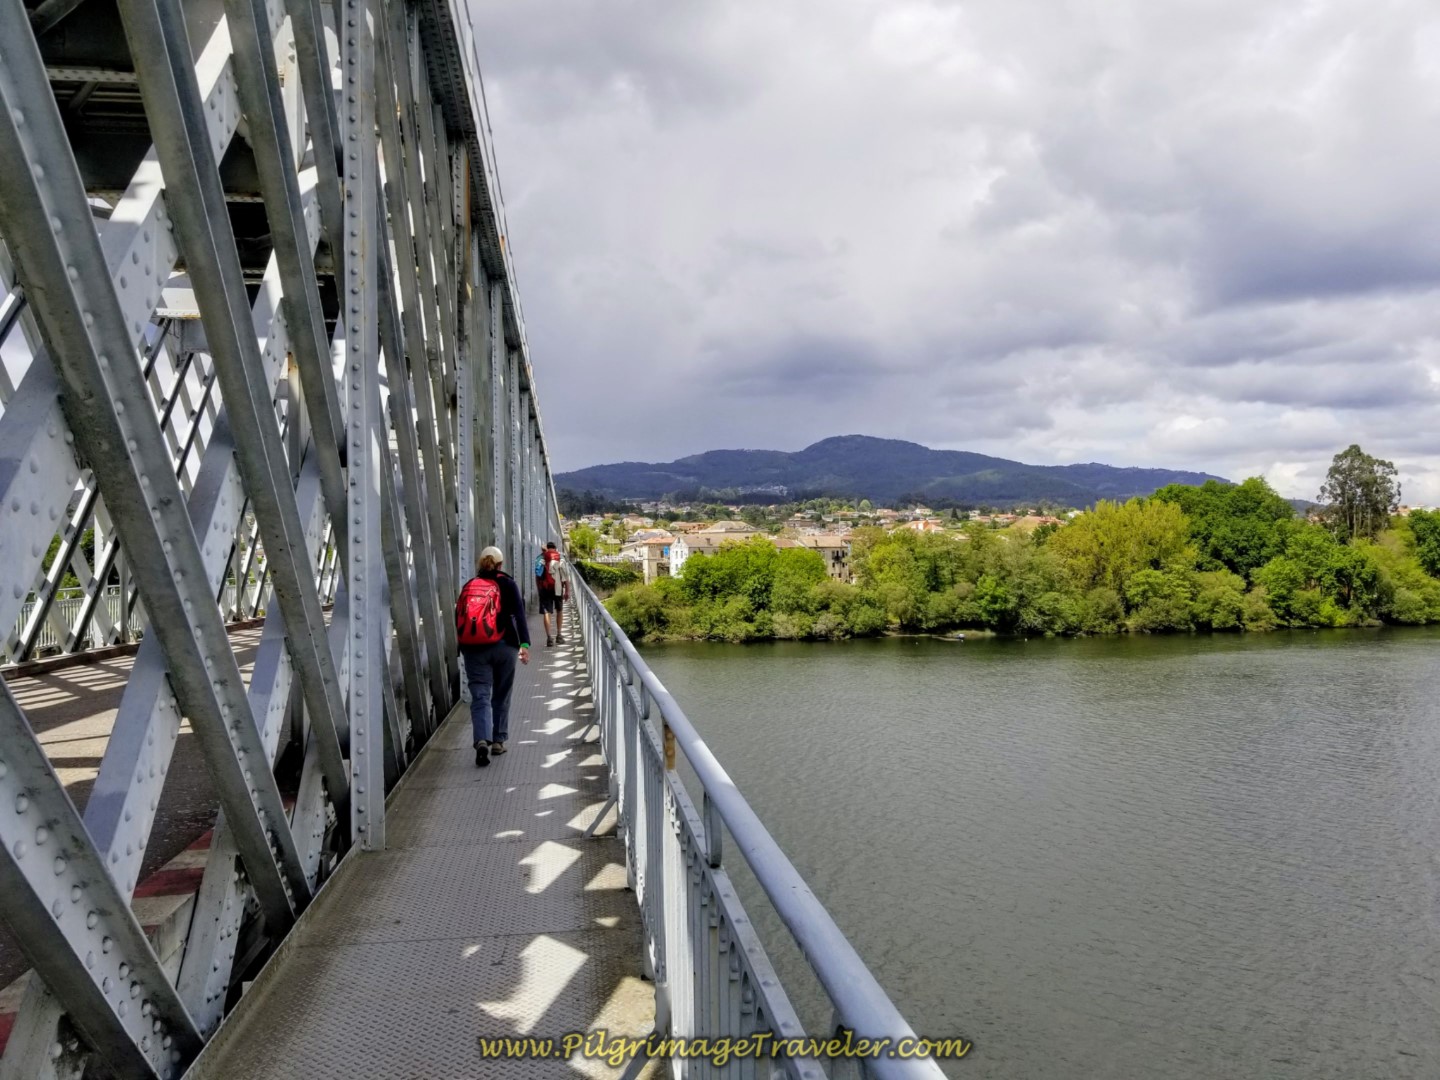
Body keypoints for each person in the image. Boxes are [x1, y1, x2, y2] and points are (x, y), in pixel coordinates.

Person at [455, 546, 529, 767]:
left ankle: (481, 740)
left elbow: (459, 617)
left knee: (480, 696)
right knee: (502, 693)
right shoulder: (508, 583)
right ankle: (498, 741)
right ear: (500, 564)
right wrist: (524, 644)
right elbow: (519, 613)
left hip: (474, 648)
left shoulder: (469, 586)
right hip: (505, 646)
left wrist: (462, 645)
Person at [534, 540, 569, 646]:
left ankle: (549, 637)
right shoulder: (560, 557)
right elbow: (565, 576)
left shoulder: (540, 558)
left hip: (544, 588)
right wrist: (567, 590)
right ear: (555, 548)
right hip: (558, 588)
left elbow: (537, 575)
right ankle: (559, 635)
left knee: (546, 612)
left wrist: (539, 589)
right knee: (559, 610)